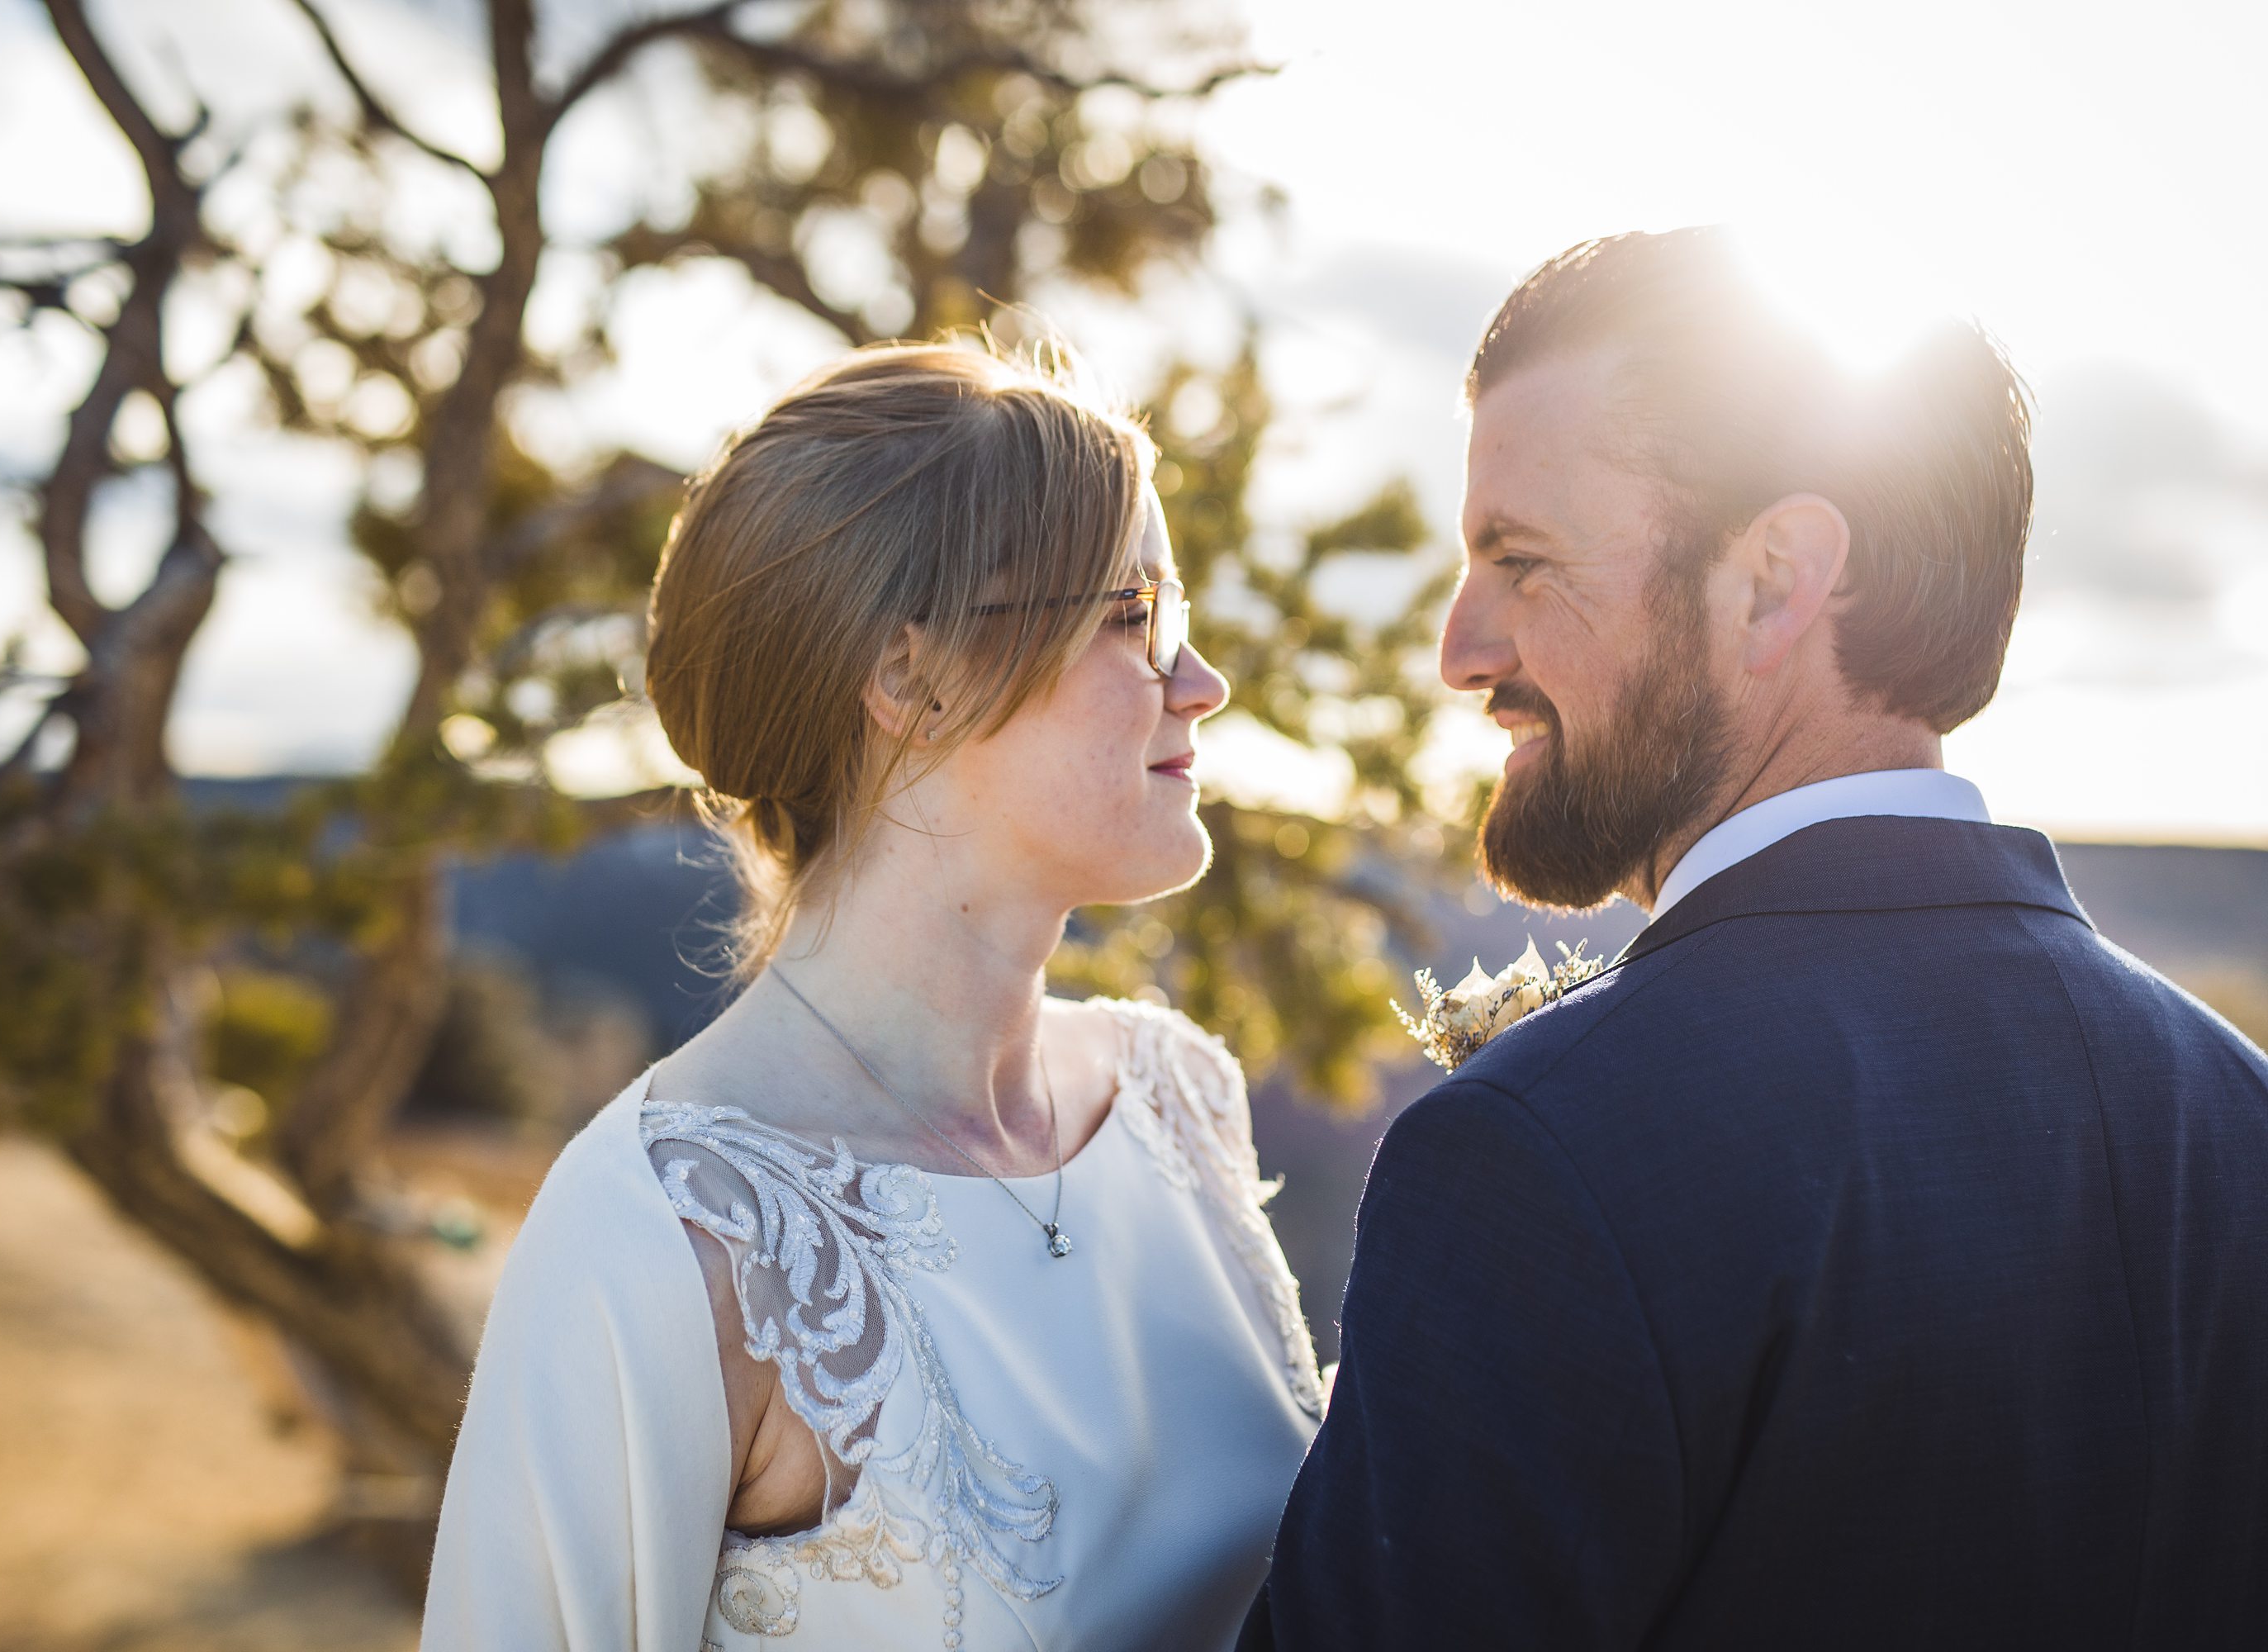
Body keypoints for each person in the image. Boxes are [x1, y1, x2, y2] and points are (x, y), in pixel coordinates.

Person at [1243, 227, 2268, 1648]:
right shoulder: (2233, 1113)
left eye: (1522, 562)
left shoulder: (1541, 1155)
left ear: (1777, 578)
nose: (1461, 648)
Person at [424, 344, 1322, 1651]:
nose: (1201, 683)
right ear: (911, 679)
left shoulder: (1180, 1098)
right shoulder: (668, 1233)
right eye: (1136, 620)